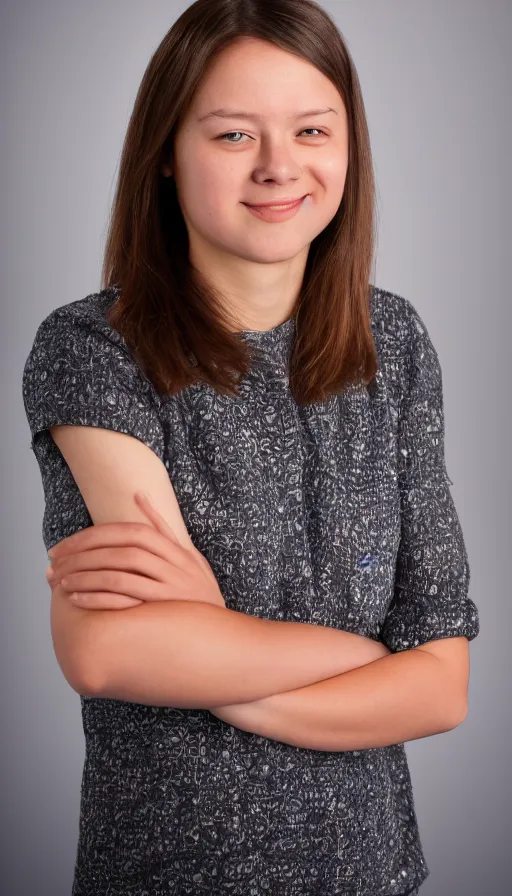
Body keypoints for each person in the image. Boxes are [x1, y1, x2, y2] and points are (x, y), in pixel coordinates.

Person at [21, 1, 480, 894]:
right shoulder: (95, 349)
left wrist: (218, 651)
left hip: (372, 871)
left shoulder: (397, 343)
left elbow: (443, 686)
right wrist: (369, 656)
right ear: (166, 151)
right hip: (170, 871)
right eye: (233, 134)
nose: (279, 167)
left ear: (349, 146)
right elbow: (115, 655)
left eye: (312, 129)